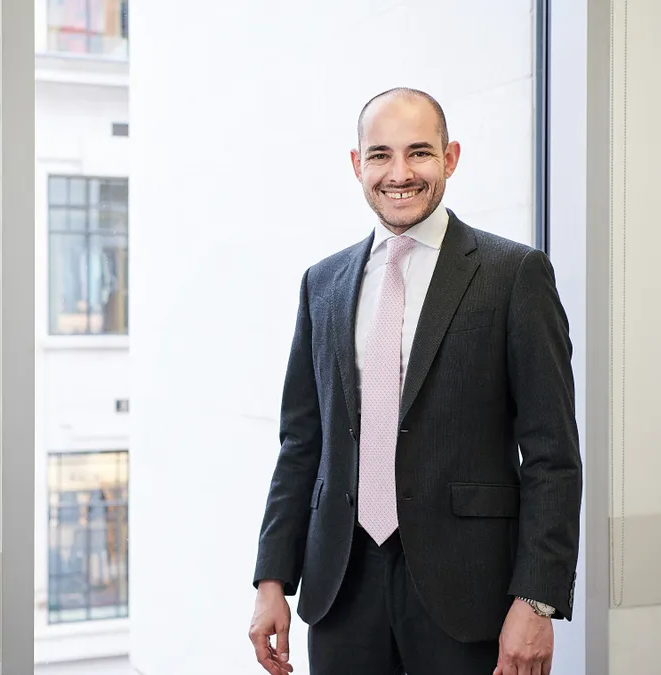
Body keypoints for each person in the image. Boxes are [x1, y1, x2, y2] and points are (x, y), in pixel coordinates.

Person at [247, 88, 582, 675]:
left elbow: (553, 454)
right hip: (340, 589)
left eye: (419, 153)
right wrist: (272, 578)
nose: (399, 173)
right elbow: (302, 445)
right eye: (379, 155)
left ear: (450, 159)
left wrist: (538, 598)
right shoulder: (322, 283)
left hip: (472, 593)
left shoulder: (514, 274)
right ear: (357, 165)